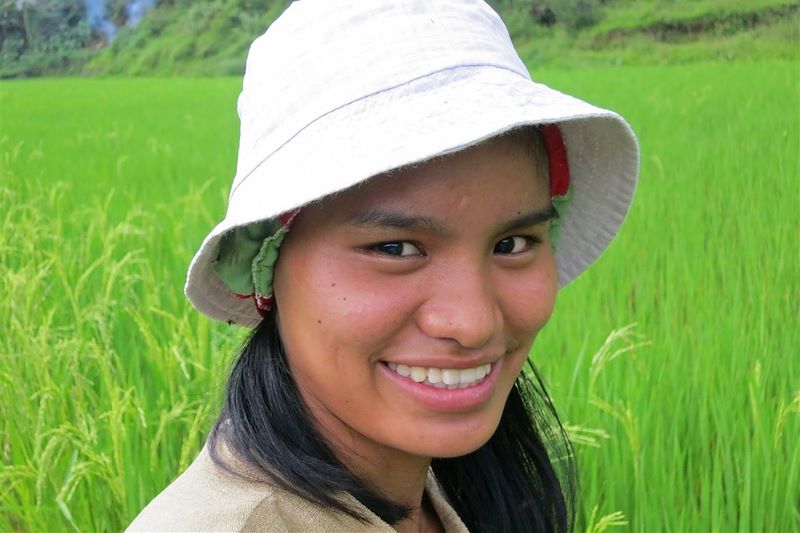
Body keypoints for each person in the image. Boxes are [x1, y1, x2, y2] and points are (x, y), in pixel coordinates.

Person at [128, 1, 638, 531]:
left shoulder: (443, 484)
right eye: (395, 249)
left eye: (511, 244)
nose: (474, 324)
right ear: (268, 261)